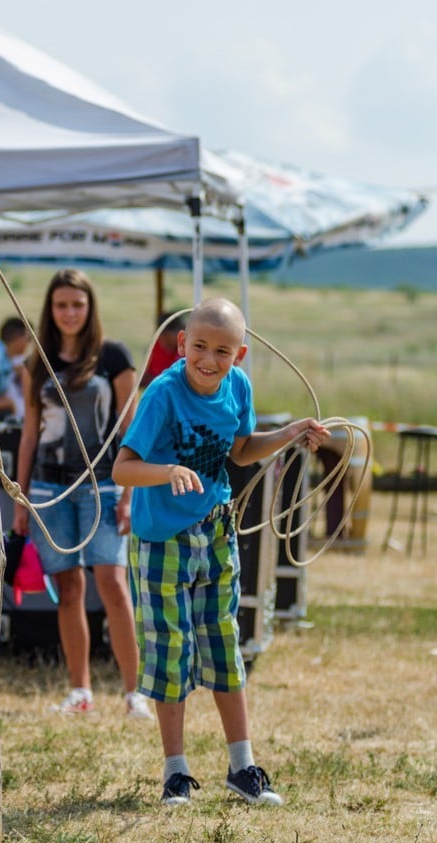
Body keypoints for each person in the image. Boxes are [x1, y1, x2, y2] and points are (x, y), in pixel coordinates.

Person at [113, 297, 329, 805]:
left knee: (225, 646)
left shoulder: (238, 387)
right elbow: (123, 468)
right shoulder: (163, 394)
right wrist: (166, 472)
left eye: (223, 351)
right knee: (170, 650)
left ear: (241, 354)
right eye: (201, 347)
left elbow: (241, 449)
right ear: (182, 344)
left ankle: (242, 767)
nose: (210, 360)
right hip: (161, 539)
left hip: (215, 533)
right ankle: (175, 772)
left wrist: (291, 433)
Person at [13, 268, 152, 719]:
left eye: (77, 304)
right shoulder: (40, 362)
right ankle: (80, 691)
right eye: (61, 305)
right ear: (49, 310)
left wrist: (130, 494)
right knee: (68, 588)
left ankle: (135, 694)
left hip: (105, 483)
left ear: (90, 307)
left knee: (112, 583)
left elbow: (132, 427)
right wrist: (22, 496)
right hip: (50, 487)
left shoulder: (114, 356)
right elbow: (30, 432)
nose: (69, 312)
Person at [0, 316, 32, 421]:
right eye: (29, 338)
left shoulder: (0, 356)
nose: (30, 344)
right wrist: (9, 404)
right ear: (18, 337)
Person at [140, 311, 186, 387]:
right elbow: (145, 378)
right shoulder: (154, 347)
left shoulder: (188, 350)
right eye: (162, 337)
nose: (164, 342)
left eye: (167, 337)